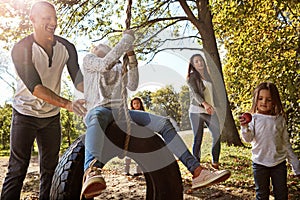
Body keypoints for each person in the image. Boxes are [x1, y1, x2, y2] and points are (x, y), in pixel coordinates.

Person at [80, 30, 231, 199]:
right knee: (97, 116)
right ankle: (91, 171)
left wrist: (131, 58)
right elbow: (104, 64)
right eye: (99, 47)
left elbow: (132, 84)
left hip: (122, 113)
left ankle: (197, 171)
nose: (102, 47)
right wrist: (126, 40)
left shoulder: (117, 66)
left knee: (164, 123)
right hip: (99, 110)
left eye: (106, 47)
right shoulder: (90, 61)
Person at [0, 1, 86, 200]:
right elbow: (35, 88)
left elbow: (79, 82)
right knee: (17, 169)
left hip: (51, 118)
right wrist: (67, 104)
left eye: (54, 18)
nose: (53, 22)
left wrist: (103, 84)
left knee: (50, 170)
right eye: (47, 18)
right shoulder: (21, 48)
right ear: (33, 19)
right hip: (24, 114)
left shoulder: (67, 47)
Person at [239, 82, 300, 199]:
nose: (264, 102)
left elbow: (286, 143)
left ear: (274, 102)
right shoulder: (253, 119)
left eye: (269, 100)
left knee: (281, 194)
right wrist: (245, 126)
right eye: (260, 98)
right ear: (255, 100)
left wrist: (296, 165)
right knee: (262, 194)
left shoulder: (279, 119)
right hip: (259, 163)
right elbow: (248, 139)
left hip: (278, 163)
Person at [187, 54, 221, 169]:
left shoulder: (208, 76)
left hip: (210, 111)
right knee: (198, 138)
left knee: (217, 134)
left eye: (201, 60)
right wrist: (205, 104)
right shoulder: (192, 77)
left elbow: (212, 94)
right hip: (196, 111)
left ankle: (215, 162)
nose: (200, 63)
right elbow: (195, 93)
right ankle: (196, 166)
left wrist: (215, 106)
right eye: (196, 61)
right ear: (193, 65)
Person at [123, 97, 144, 176]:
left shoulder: (143, 113)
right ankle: (126, 170)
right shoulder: (130, 113)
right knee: (129, 153)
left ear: (140, 104)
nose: (136, 105)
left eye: (138, 103)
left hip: (140, 136)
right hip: (132, 135)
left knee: (139, 153)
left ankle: (138, 171)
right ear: (132, 105)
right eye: (134, 103)